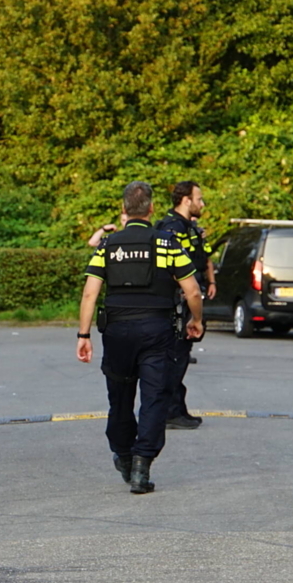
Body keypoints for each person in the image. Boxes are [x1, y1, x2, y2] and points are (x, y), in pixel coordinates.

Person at [77, 181, 203, 494]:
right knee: (154, 397)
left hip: (117, 332)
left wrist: (83, 334)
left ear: (124, 211)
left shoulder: (108, 245)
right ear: (150, 209)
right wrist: (196, 320)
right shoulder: (168, 243)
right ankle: (142, 465)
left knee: (119, 398)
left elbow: (90, 293)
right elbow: (192, 290)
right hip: (157, 332)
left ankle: (123, 454)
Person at [154, 181, 216, 430]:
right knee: (175, 357)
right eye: (199, 199)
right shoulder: (171, 227)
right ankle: (169, 411)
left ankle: (177, 408)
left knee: (181, 355)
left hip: (187, 297)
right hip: (178, 301)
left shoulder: (189, 227)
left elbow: (201, 259)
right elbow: (172, 266)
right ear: (186, 200)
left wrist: (209, 281)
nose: (202, 204)